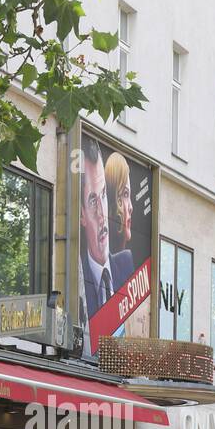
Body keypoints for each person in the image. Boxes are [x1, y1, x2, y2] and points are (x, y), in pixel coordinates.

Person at [80, 137, 135, 330]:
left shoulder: (127, 264)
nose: (102, 217)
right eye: (93, 201)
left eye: (103, 195)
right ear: (81, 215)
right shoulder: (78, 277)